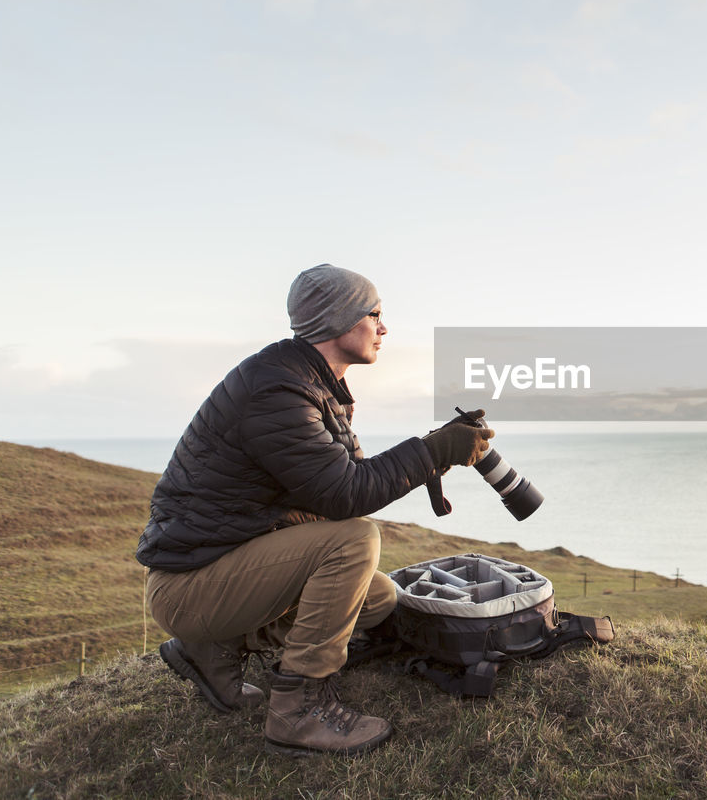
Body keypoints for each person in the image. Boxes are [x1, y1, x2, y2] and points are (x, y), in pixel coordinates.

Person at [135, 263, 493, 756]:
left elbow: (342, 488)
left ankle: (214, 648)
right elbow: (346, 496)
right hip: (189, 586)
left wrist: (433, 450)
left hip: (220, 566)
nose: (384, 328)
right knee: (356, 540)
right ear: (341, 321)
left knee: (376, 597)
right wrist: (431, 452)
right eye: (375, 314)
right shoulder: (278, 392)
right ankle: (298, 710)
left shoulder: (313, 384)